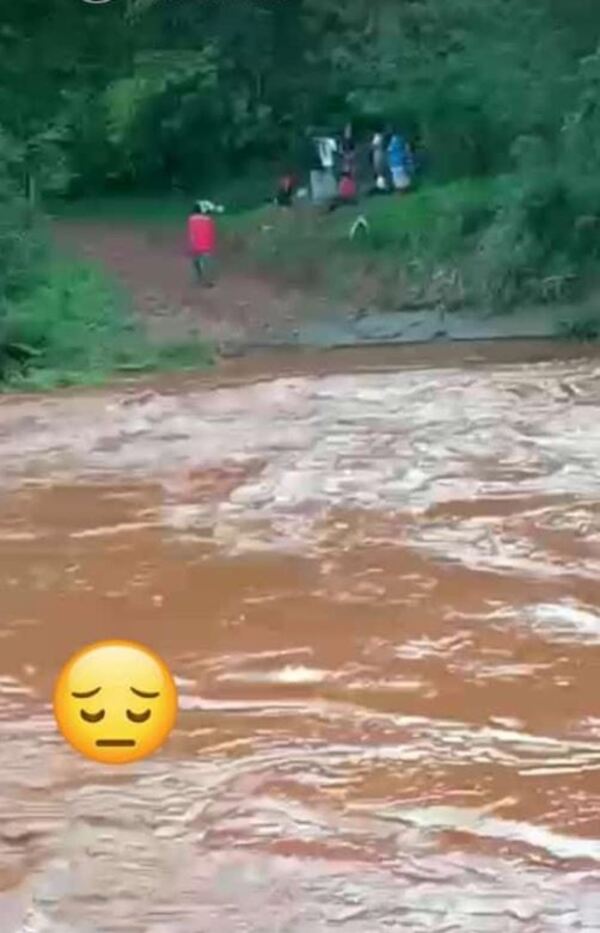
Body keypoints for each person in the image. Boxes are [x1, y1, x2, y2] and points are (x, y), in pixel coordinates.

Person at [187, 201, 216, 286]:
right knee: (206, 264)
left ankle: (198, 280)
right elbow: (211, 233)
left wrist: (191, 244)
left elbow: (191, 233)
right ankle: (207, 281)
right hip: (206, 245)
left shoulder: (191, 219)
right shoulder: (208, 219)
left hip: (195, 245)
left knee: (196, 264)